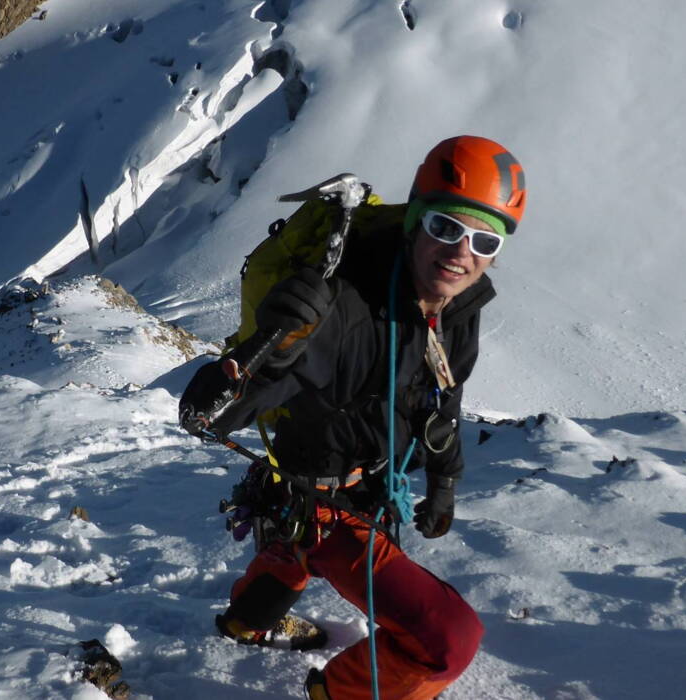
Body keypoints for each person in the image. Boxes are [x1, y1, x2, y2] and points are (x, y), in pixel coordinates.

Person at [178, 135, 526, 700]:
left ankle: (246, 620)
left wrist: (444, 480)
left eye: (484, 240)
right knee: (447, 640)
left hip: (353, 489)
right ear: (414, 219)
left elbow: (444, 396)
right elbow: (217, 410)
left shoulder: (459, 308)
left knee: (292, 557)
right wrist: (269, 350)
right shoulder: (340, 310)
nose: (461, 253)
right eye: (444, 227)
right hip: (326, 504)